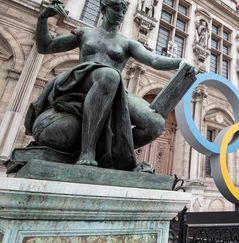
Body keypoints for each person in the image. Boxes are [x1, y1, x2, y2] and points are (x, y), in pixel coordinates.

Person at [25, 0, 194, 171]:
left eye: (123, 10)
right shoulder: (85, 33)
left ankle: (109, 152)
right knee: (109, 75)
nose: (121, 14)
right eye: (116, 9)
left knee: (155, 124)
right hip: (81, 80)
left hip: (114, 87)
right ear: (103, 9)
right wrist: (43, 18)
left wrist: (180, 62)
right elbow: (45, 46)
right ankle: (87, 152)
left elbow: (154, 60)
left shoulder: (127, 43)